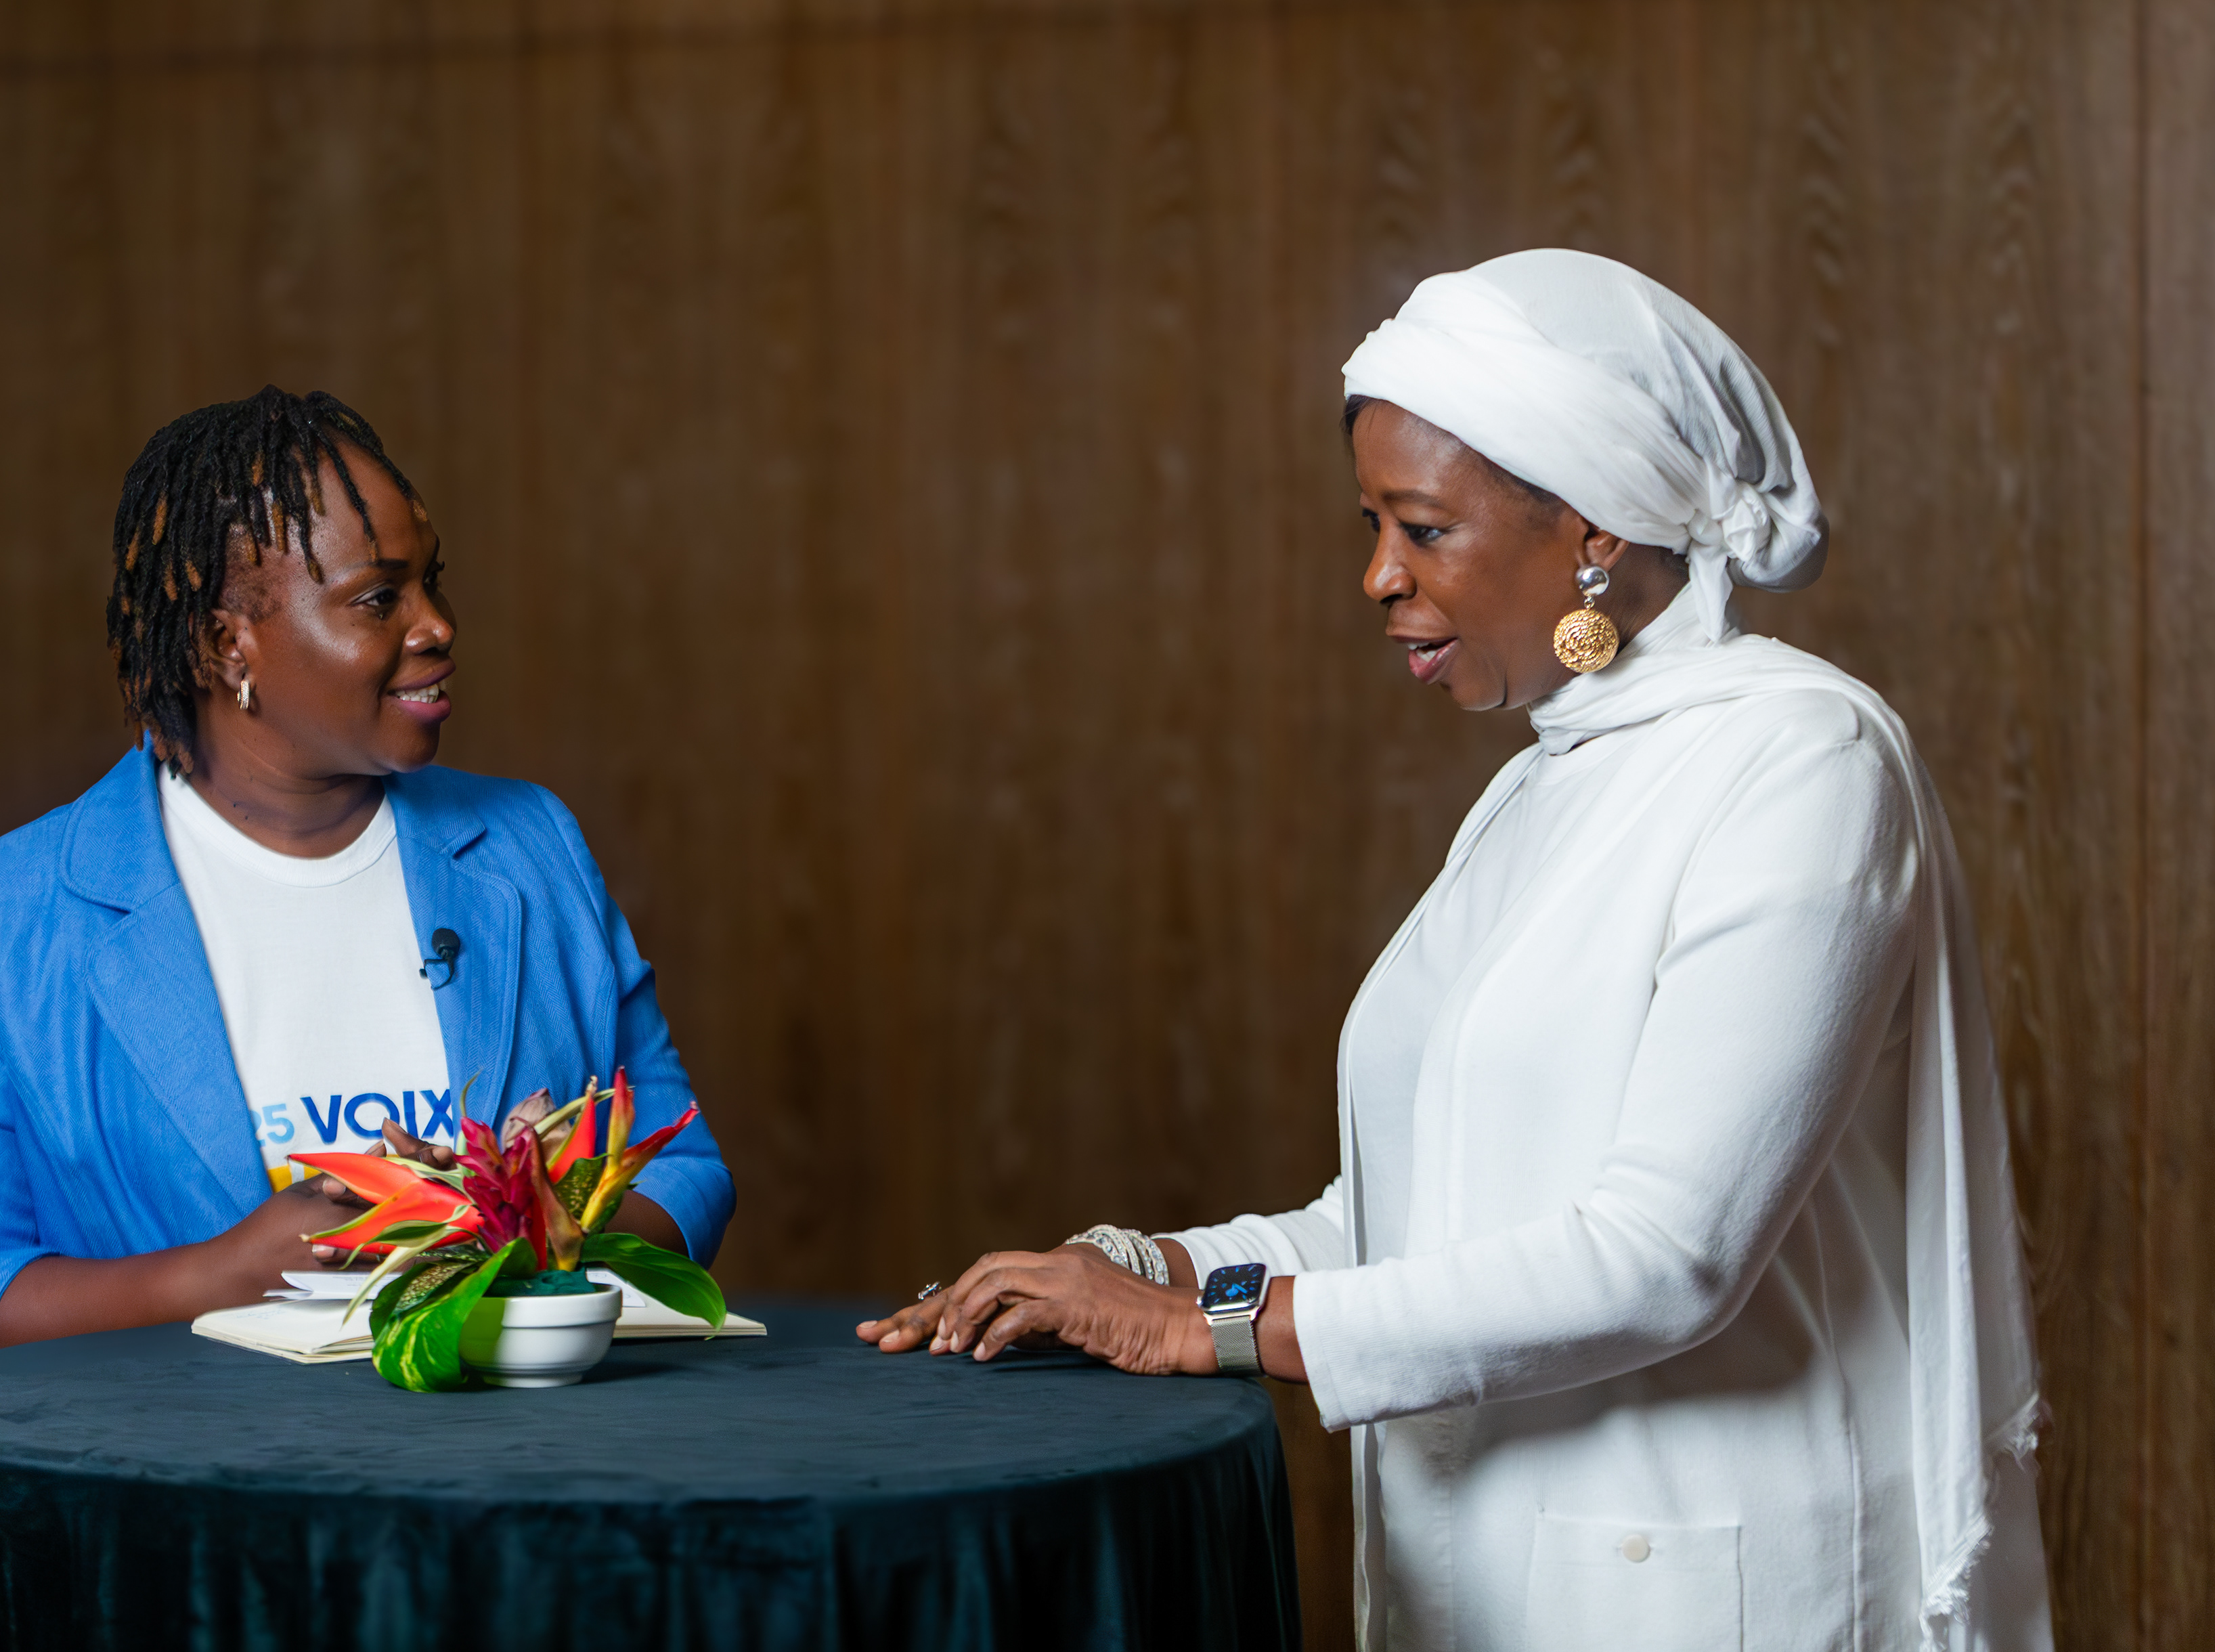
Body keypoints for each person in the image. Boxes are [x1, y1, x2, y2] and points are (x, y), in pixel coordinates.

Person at [860, 253, 2051, 1649]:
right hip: (1479, 1570)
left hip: (1712, 1588)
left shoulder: (1802, 761)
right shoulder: (1547, 780)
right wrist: (1140, 1269)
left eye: (1423, 527)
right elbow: (1423, 1218)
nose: (1377, 575)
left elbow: (1664, 1254)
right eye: (1371, 523)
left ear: (1593, 529)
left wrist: (1213, 1330)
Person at [0, 388, 733, 1375]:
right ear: (228, 643)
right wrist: (216, 1277)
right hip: (187, 1503)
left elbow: (690, 1173)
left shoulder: (532, 847)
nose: (437, 625)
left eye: (433, 585)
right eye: (378, 597)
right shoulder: (2, 913)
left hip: (510, 1488)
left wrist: (529, 1232)